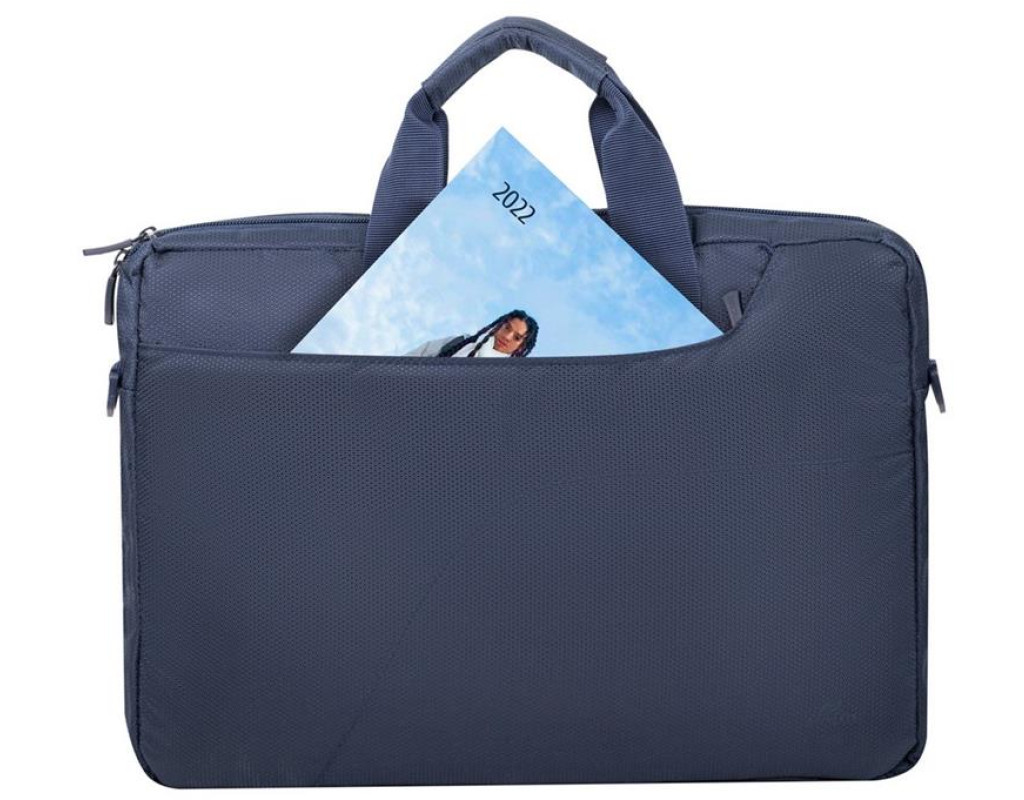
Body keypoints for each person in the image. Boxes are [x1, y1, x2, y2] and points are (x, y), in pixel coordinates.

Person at [402, 310, 539, 358]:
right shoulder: (462, 342)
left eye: (517, 338)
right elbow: (420, 354)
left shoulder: (507, 376)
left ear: (521, 347)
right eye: (507, 328)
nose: (507, 337)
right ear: (499, 326)